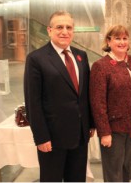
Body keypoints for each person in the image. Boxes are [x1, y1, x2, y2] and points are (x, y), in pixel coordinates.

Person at [24, 11, 95, 182]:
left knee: (77, 179)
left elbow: (85, 94)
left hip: (79, 134)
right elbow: (33, 102)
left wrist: (90, 123)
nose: (65, 31)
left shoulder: (81, 56)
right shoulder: (36, 58)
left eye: (69, 27)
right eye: (59, 27)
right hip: (53, 137)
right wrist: (41, 137)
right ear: (49, 30)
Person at [89, 25, 131, 182]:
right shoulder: (101, 66)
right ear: (109, 41)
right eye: (117, 38)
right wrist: (104, 132)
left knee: (126, 168)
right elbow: (97, 102)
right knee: (113, 171)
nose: (122, 42)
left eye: (125, 38)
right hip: (113, 128)